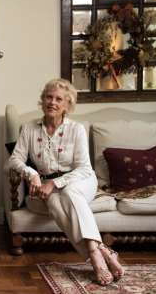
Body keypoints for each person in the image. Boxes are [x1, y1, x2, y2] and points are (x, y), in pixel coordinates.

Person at [7, 79, 125, 286]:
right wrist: (31, 173)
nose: (52, 102)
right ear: (42, 100)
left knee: (70, 193)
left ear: (67, 105)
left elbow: (84, 168)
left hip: (80, 180)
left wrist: (55, 183)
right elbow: (15, 159)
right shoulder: (29, 128)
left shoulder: (76, 129)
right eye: (48, 97)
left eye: (59, 99)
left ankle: (95, 257)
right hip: (47, 185)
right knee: (53, 203)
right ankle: (103, 250)